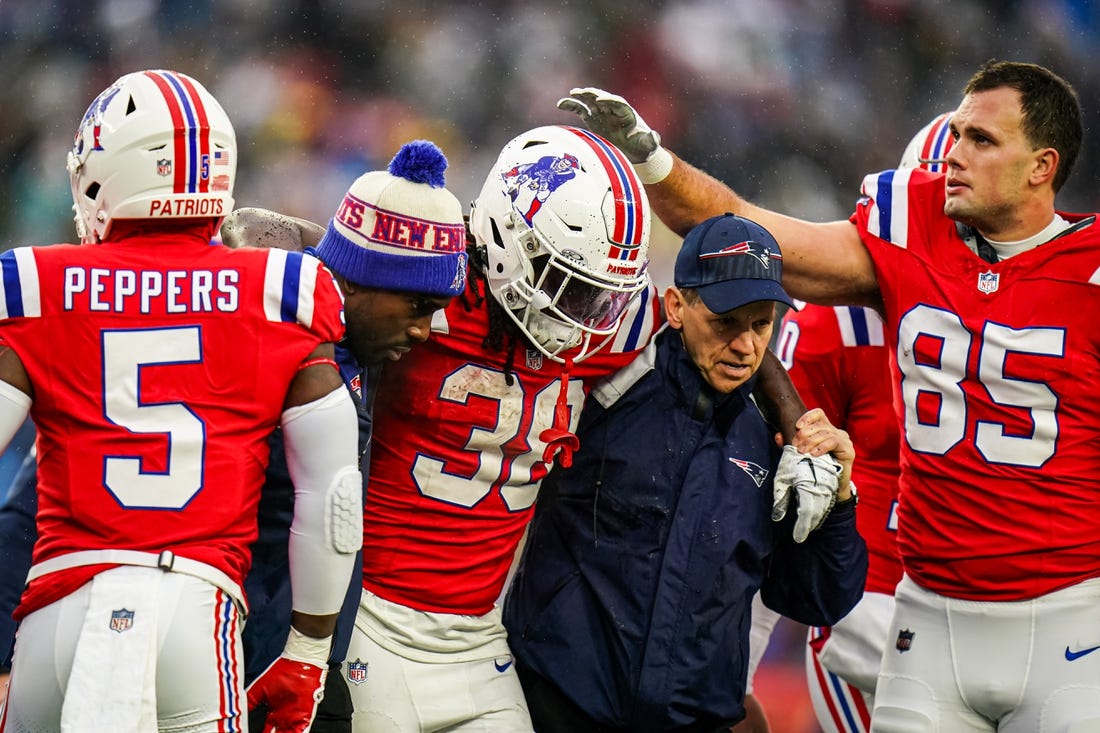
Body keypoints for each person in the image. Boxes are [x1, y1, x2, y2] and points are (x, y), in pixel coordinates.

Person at [236, 124, 844, 732]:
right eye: (571, 285)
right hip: (374, 617)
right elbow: (323, 260)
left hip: (480, 639)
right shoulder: (430, 293)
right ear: (507, 235)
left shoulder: (613, 324)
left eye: (601, 293)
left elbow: (722, 317)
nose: (584, 313)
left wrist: (793, 417)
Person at [559, 59, 1100, 732]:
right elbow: (749, 236)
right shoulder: (907, 237)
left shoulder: (1090, 269)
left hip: (1069, 623)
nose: (954, 155)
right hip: (923, 620)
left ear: (1042, 165)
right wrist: (654, 161)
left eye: (980, 140)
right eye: (956, 134)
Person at [0, 138, 471, 733]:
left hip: (249, 634)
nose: (428, 330)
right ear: (354, 284)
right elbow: (37, 490)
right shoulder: (268, 325)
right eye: (417, 305)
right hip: (212, 629)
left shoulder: (324, 314)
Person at [502, 212, 868, 733]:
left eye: (761, 323)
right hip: (559, 709)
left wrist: (839, 500)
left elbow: (815, 599)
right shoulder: (605, 382)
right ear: (675, 306)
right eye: (725, 321)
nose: (745, 346)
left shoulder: (778, 435)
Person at [768, 111, 956, 733]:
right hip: (873, 609)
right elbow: (776, 486)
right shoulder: (832, 326)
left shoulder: (1047, 314)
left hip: (1000, 596)